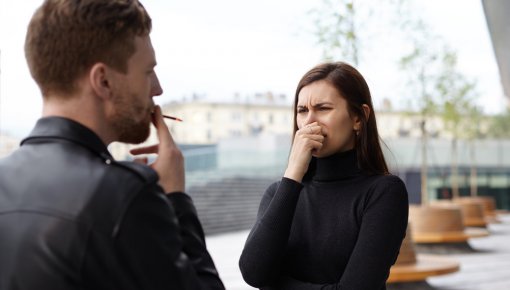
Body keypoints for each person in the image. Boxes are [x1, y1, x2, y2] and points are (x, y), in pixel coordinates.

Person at [0, 1, 224, 289]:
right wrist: (176, 198)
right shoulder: (126, 195)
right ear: (103, 81)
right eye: (147, 72)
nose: (157, 89)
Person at [239, 62, 409, 289]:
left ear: (358, 117)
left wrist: (276, 285)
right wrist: (292, 174)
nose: (309, 121)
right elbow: (253, 274)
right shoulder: (280, 193)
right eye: (302, 111)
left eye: (323, 108)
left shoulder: (384, 192)